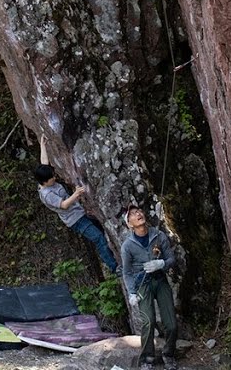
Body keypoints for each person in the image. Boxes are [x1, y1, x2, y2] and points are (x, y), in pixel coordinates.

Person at [33, 138, 119, 274]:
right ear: (44, 182)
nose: (54, 178)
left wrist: (42, 145)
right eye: (51, 179)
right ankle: (114, 267)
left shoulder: (44, 177)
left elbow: (44, 162)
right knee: (98, 238)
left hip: (81, 212)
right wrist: (76, 194)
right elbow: (64, 205)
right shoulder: (47, 194)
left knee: (104, 230)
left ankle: (115, 255)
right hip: (75, 220)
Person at [121, 205, 179, 370]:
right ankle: (147, 359)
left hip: (160, 280)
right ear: (130, 224)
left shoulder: (158, 235)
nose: (138, 213)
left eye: (139, 211)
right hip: (142, 284)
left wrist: (161, 264)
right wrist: (132, 292)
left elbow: (171, 259)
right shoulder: (127, 246)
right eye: (132, 214)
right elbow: (127, 272)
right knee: (148, 322)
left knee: (171, 323)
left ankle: (168, 355)